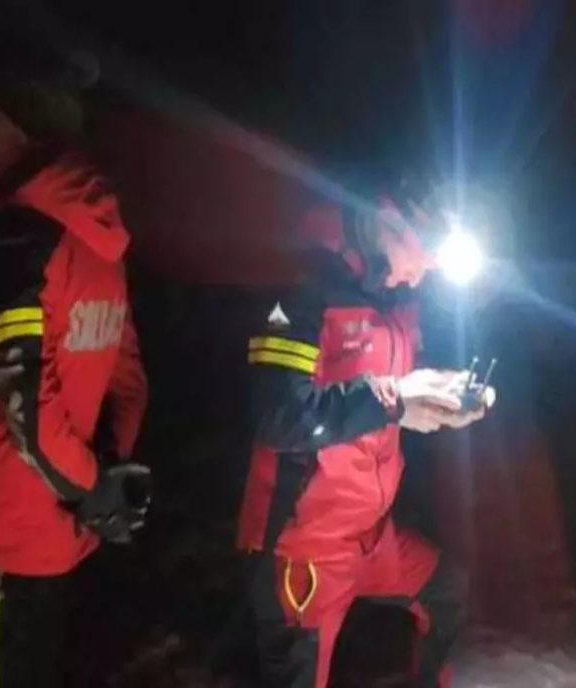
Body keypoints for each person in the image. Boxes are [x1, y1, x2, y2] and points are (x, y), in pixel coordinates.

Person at [0, 50, 149, 688]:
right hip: (61, 540)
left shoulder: (15, 243)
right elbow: (129, 385)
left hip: (1, 535)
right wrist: (105, 481)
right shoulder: (103, 245)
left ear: (24, 131)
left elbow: (26, 409)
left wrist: (91, 487)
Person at [237, 181, 495, 688]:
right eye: (422, 261)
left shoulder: (394, 297)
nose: (420, 276)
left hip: (373, 538)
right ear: (393, 223)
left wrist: (443, 393)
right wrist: (393, 400)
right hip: (303, 548)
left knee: (446, 590)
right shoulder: (304, 285)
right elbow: (278, 414)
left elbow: (399, 382)